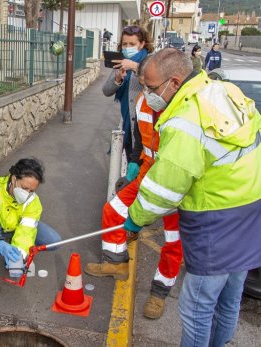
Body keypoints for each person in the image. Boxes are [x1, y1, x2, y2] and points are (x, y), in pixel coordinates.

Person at [125, 48, 261, 346]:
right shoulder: (223, 90)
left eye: (151, 87)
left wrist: (134, 220)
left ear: (174, 82)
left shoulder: (186, 118)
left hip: (216, 219)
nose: (147, 94)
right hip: (250, 211)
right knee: (229, 301)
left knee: (197, 308)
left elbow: (164, 190)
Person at [85, 59, 183, 320]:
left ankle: (159, 293)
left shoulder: (184, 109)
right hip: (147, 172)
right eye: (143, 85)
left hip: (177, 181)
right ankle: (116, 264)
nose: (146, 92)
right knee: (113, 210)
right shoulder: (142, 102)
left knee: (173, 241)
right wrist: (134, 168)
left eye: (150, 86)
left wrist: (139, 217)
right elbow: (140, 142)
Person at [0, 158, 61, 294]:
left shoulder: (33, 201)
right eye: (24, 188)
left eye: (31, 190)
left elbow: (27, 231)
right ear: (13, 179)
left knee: (53, 241)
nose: (27, 194)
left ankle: (11, 247)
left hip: (14, 227)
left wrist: (19, 256)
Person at [102, 25, 153, 163]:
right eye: (124, 44)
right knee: (131, 159)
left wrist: (136, 67)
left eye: (132, 44)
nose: (127, 47)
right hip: (128, 123)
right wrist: (118, 79)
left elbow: (155, 85)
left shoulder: (150, 61)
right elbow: (106, 91)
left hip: (146, 126)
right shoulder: (121, 62)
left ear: (142, 44)